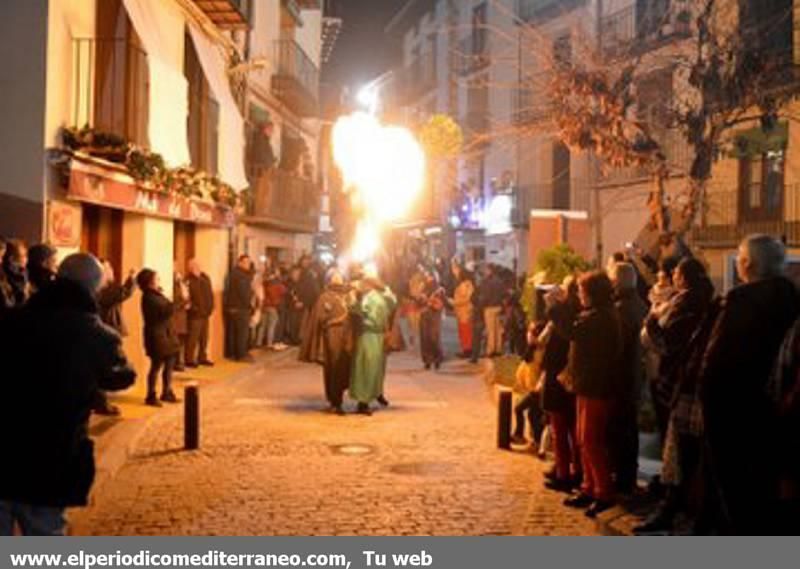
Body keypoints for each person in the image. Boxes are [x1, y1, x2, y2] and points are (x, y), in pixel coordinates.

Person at [0, 253, 135, 535]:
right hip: (49, 460)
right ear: (93, 288)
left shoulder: (12, 320)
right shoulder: (96, 335)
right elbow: (122, 376)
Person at [700, 235, 800, 534]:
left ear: (747, 264)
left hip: (734, 409)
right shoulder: (791, 299)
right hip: (776, 412)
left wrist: (708, 405)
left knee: (737, 492)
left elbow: (717, 363)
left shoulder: (740, 302)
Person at [635, 257, 716, 534]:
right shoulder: (701, 300)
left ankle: (673, 509)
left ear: (686, 277)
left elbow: (668, 342)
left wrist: (652, 322)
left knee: (677, 450)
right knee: (680, 450)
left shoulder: (687, 304)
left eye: (677, 273)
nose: (672, 276)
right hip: (683, 383)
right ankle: (677, 507)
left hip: (680, 383)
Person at [553, 271, 622, 517]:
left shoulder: (601, 318)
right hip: (587, 384)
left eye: (582, 291)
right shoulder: (596, 315)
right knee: (584, 439)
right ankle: (589, 487)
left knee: (591, 440)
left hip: (598, 386)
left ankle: (603, 491)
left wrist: (556, 307)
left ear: (592, 293)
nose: (580, 296)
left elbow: (571, 331)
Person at [609, 262, 648, 494]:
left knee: (622, 431)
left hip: (622, 378)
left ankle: (624, 480)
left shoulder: (622, 309)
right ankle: (626, 477)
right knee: (628, 430)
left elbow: (618, 347)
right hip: (632, 377)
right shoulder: (638, 304)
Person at [542, 277, 582, 492]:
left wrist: (554, 307)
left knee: (562, 427)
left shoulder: (567, 315)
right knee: (569, 428)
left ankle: (565, 473)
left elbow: (561, 338)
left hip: (561, 377)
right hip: (564, 376)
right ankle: (567, 469)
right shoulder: (572, 314)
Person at [300, 271, 353, 415]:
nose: (338, 278)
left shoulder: (348, 296)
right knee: (333, 369)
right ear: (329, 280)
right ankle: (335, 402)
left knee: (344, 369)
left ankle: (339, 398)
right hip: (332, 336)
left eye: (340, 276)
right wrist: (337, 320)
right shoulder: (325, 297)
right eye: (335, 276)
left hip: (347, 337)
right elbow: (320, 318)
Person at [349, 273, 397, 415]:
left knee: (371, 369)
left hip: (373, 336)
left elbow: (357, 310)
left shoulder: (373, 297)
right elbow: (392, 302)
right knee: (370, 368)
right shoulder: (376, 297)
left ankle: (368, 398)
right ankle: (365, 400)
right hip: (372, 336)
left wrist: (353, 298)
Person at [95, 261, 136, 416]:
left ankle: (101, 401)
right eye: (108, 268)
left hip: (108, 331)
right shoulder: (102, 290)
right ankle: (101, 403)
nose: (111, 270)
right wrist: (132, 279)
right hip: (106, 332)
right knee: (104, 368)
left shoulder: (105, 289)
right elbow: (122, 293)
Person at [137, 269, 181, 407]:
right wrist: (180, 300)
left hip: (167, 334)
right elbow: (165, 311)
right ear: (150, 282)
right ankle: (151, 395)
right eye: (157, 278)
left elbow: (168, 307)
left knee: (169, 363)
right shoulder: (149, 297)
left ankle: (167, 391)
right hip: (157, 336)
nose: (159, 280)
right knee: (156, 365)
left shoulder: (157, 294)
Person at [511, 321, 546, 448]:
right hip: (531, 388)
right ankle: (536, 441)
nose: (529, 335)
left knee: (519, 408)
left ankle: (519, 435)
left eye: (531, 332)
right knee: (533, 415)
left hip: (538, 389)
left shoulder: (541, 351)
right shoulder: (532, 349)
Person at [185, 259, 215, 367]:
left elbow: (210, 294)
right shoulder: (188, 280)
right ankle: (189, 359)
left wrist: (211, 307)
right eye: (193, 266)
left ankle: (202, 357)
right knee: (193, 338)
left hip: (206, 313)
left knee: (204, 337)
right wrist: (194, 308)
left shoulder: (205, 278)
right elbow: (187, 297)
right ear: (190, 268)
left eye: (197, 265)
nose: (196, 268)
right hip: (195, 315)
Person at [225, 255, 255, 362]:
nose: (248, 265)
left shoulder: (233, 274)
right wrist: (250, 306)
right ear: (240, 263)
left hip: (233, 307)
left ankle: (233, 353)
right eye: (246, 262)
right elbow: (244, 293)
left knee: (234, 332)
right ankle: (241, 355)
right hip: (241, 308)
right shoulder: (241, 275)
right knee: (242, 333)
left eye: (249, 262)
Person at [418, 271, 446, 370]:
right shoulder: (423, 289)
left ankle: (437, 360)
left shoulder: (439, 290)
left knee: (434, 338)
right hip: (424, 316)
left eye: (430, 276)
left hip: (434, 317)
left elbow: (440, 304)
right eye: (427, 276)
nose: (428, 278)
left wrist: (430, 302)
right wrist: (421, 299)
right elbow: (418, 302)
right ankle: (427, 361)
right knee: (425, 339)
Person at [480, 264, 505, 357]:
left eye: (486, 270)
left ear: (490, 271)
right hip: (498, 307)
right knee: (498, 329)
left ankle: (490, 350)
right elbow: (504, 294)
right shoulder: (499, 281)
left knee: (490, 330)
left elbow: (485, 296)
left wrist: (482, 305)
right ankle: (498, 349)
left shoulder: (486, 282)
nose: (485, 272)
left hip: (489, 307)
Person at [450, 265, 475, 357]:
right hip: (461, 311)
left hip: (465, 311)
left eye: (457, 273)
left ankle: (467, 350)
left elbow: (467, 299)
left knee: (466, 331)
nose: (456, 275)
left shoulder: (466, 285)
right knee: (462, 331)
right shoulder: (463, 284)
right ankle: (465, 349)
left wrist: (454, 302)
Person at [263, 267, 287, 351]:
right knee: (272, 325)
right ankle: (270, 343)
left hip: (266, 305)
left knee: (266, 325)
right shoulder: (274, 283)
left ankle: (263, 342)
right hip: (273, 306)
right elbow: (283, 290)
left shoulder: (265, 282)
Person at [172, 261, 190, 372]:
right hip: (175, 316)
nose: (176, 269)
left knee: (181, 340)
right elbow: (175, 299)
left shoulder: (180, 281)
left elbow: (186, 294)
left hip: (182, 315)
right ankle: (176, 363)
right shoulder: (170, 282)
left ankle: (180, 362)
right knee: (175, 340)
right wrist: (184, 302)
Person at [2, 239, 28, 306]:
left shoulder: (24, 274)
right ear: (12, 258)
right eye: (24, 255)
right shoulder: (4, 277)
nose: (27, 259)